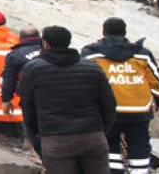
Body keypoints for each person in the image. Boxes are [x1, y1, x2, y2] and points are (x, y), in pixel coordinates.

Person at [18, 26, 116, 174]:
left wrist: (37, 130)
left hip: (55, 138)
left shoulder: (33, 68)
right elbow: (108, 102)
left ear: (45, 43)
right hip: (92, 136)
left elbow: (27, 103)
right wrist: (102, 129)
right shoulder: (92, 68)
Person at [82, 17, 159, 174]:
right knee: (139, 144)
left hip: (107, 111)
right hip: (138, 110)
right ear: (125, 32)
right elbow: (156, 81)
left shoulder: (91, 54)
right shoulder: (142, 54)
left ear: (103, 32)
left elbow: (83, 79)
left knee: (110, 145)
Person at [0, 27, 43, 154]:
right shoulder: (48, 50)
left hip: (30, 95)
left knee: (30, 120)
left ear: (21, 38)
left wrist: (6, 100)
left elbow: (8, 80)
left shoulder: (15, 55)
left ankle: (30, 144)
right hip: (55, 93)